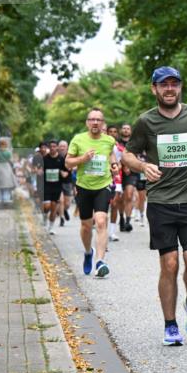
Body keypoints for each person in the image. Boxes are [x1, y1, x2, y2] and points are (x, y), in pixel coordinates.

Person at [122, 66, 187, 347]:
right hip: (161, 202)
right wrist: (143, 165)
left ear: (180, 87)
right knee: (170, 264)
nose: (170, 89)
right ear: (154, 89)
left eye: (174, 84)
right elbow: (127, 155)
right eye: (164, 85)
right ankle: (170, 325)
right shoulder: (145, 122)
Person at [64, 108, 118, 278]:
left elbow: (111, 157)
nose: (95, 122)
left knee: (101, 221)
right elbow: (67, 163)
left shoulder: (109, 141)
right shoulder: (78, 140)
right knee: (86, 226)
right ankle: (88, 252)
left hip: (103, 185)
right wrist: (82, 159)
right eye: (92, 119)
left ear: (102, 124)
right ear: (87, 122)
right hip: (84, 187)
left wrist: (115, 167)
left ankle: (100, 261)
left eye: (98, 120)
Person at [40, 140, 64, 234]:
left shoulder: (61, 159)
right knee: (47, 206)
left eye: (54, 146)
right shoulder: (45, 159)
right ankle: (45, 216)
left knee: (54, 208)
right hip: (46, 185)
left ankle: (51, 227)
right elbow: (40, 170)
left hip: (57, 187)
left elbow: (66, 170)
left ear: (57, 147)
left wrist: (64, 173)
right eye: (51, 146)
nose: (53, 148)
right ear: (49, 148)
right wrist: (40, 172)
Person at [118, 123, 137, 233]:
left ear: (130, 131)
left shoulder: (134, 143)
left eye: (127, 128)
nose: (125, 130)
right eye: (124, 128)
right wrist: (123, 165)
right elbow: (114, 157)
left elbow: (136, 156)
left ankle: (128, 221)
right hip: (119, 172)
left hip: (131, 172)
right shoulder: (117, 143)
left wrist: (130, 165)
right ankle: (121, 218)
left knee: (129, 195)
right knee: (120, 198)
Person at [56, 140, 73, 225]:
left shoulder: (69, 156)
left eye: (64, 146)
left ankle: (65, 210)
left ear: (67, 147)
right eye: (61, 146)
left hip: (67, 182)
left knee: (67, 204)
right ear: (58, 147)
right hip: (57, 182)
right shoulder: (56, 156)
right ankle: (62, 218)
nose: (62, 148)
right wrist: (60, 172)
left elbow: (70, 168)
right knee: (60, 201)